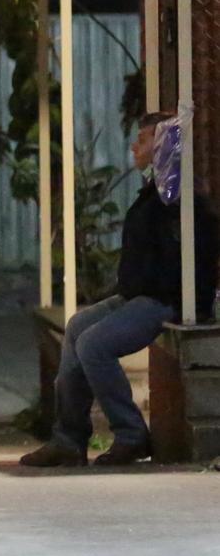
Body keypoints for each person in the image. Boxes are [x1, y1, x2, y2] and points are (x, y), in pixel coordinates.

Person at [21, 112, 219, 468]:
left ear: (162, 145)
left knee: (94, 344)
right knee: (78, 326)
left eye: (143, 140)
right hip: (136, 295)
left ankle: (131, 435)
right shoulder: (154, 189)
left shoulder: (178, 195)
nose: (134, 146)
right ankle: (68, 439)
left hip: (166, 301)